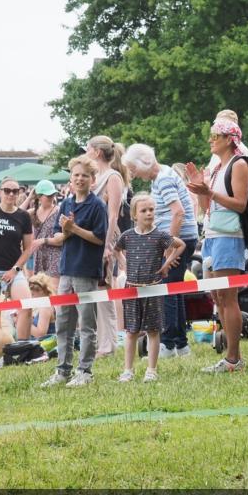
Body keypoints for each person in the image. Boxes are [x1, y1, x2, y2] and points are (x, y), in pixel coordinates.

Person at [185, 118, 248, 372]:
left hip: (229, 236)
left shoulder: (239, 164)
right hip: (212, 234)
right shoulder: (216, 167)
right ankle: (231, 356)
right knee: (216, 296)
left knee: (227, 296)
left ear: (229, 139)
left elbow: (240, 204)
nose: (211, 140)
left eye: (215, 136)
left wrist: (208, 192)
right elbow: (206, 208)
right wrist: (200, 188)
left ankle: (234, 357)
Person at [123, 143, 199, 357]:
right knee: (175, 290)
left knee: (166, 290)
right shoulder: (163, 175)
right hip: (184, 237)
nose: (134, 173)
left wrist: (168, 248)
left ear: (144, 162)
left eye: (134, 168)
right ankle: (181, 344)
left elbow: (178, 213)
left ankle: (167, 343)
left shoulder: (163, 179)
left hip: (179, 239)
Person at [41, 155, 108, 388]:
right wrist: (59, 236)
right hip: (66, 269)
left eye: (84, 176)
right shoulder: (67, 203)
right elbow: (65, 236)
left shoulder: (97, 205)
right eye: (76, 175)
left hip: (86, 270)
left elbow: (99, 239)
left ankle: (85, 370)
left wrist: (73, 228)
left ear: (92, 180)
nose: (80, 179)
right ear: (71, 179)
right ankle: (62, 369)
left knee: (86, 324)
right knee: (63, 322)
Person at [114, 194, 186, 383]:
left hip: (153, 288)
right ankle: (128, 370)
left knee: (153, 330)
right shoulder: (128, 236)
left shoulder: (160, 235)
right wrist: (123, 263)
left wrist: (167, 264)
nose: (148, 213)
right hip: (132, 289)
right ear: (134, 215)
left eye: (151, 210)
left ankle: (151, 370)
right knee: (131, 331)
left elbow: (180, 245)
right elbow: (116, 249)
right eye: (144, 210)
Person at [86, 136, 130, 357]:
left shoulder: (113, 177)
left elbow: (113, 214)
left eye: (87, 149)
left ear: (96, 152)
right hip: (91, 239)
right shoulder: (96, 178)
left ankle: (109, 344)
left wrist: (107, 245)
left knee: (104, 289)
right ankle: (98, 341)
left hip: (105, 240)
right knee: (93, 291)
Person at [0, 177, 35, 342]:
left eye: (15, 191)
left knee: (26, 306)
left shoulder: (23, 216)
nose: (11, 194)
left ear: (20, 193)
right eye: (7, 190)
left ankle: (22, 346)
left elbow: (28, 249)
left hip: (13, 269)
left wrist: (15, 270)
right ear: (0, 192)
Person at [28, 180, 62, 294]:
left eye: (52, 195)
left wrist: (42, 241)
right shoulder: (33, 212)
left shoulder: (59, 212)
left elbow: (62, 240)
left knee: (53, 292)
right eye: (47, 195)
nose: (51, 198)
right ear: (39, 196)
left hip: (56, 256)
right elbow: (17, 213)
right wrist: (29, 198)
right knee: (41, 293)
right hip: (39, 257)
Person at [27, 273, 55, 339]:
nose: (31, 297)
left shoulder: (45, 307)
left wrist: (22, 323)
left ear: (41, 291)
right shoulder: (47, 304)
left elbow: (40, 334)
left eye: (32, 294)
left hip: (44, 347)